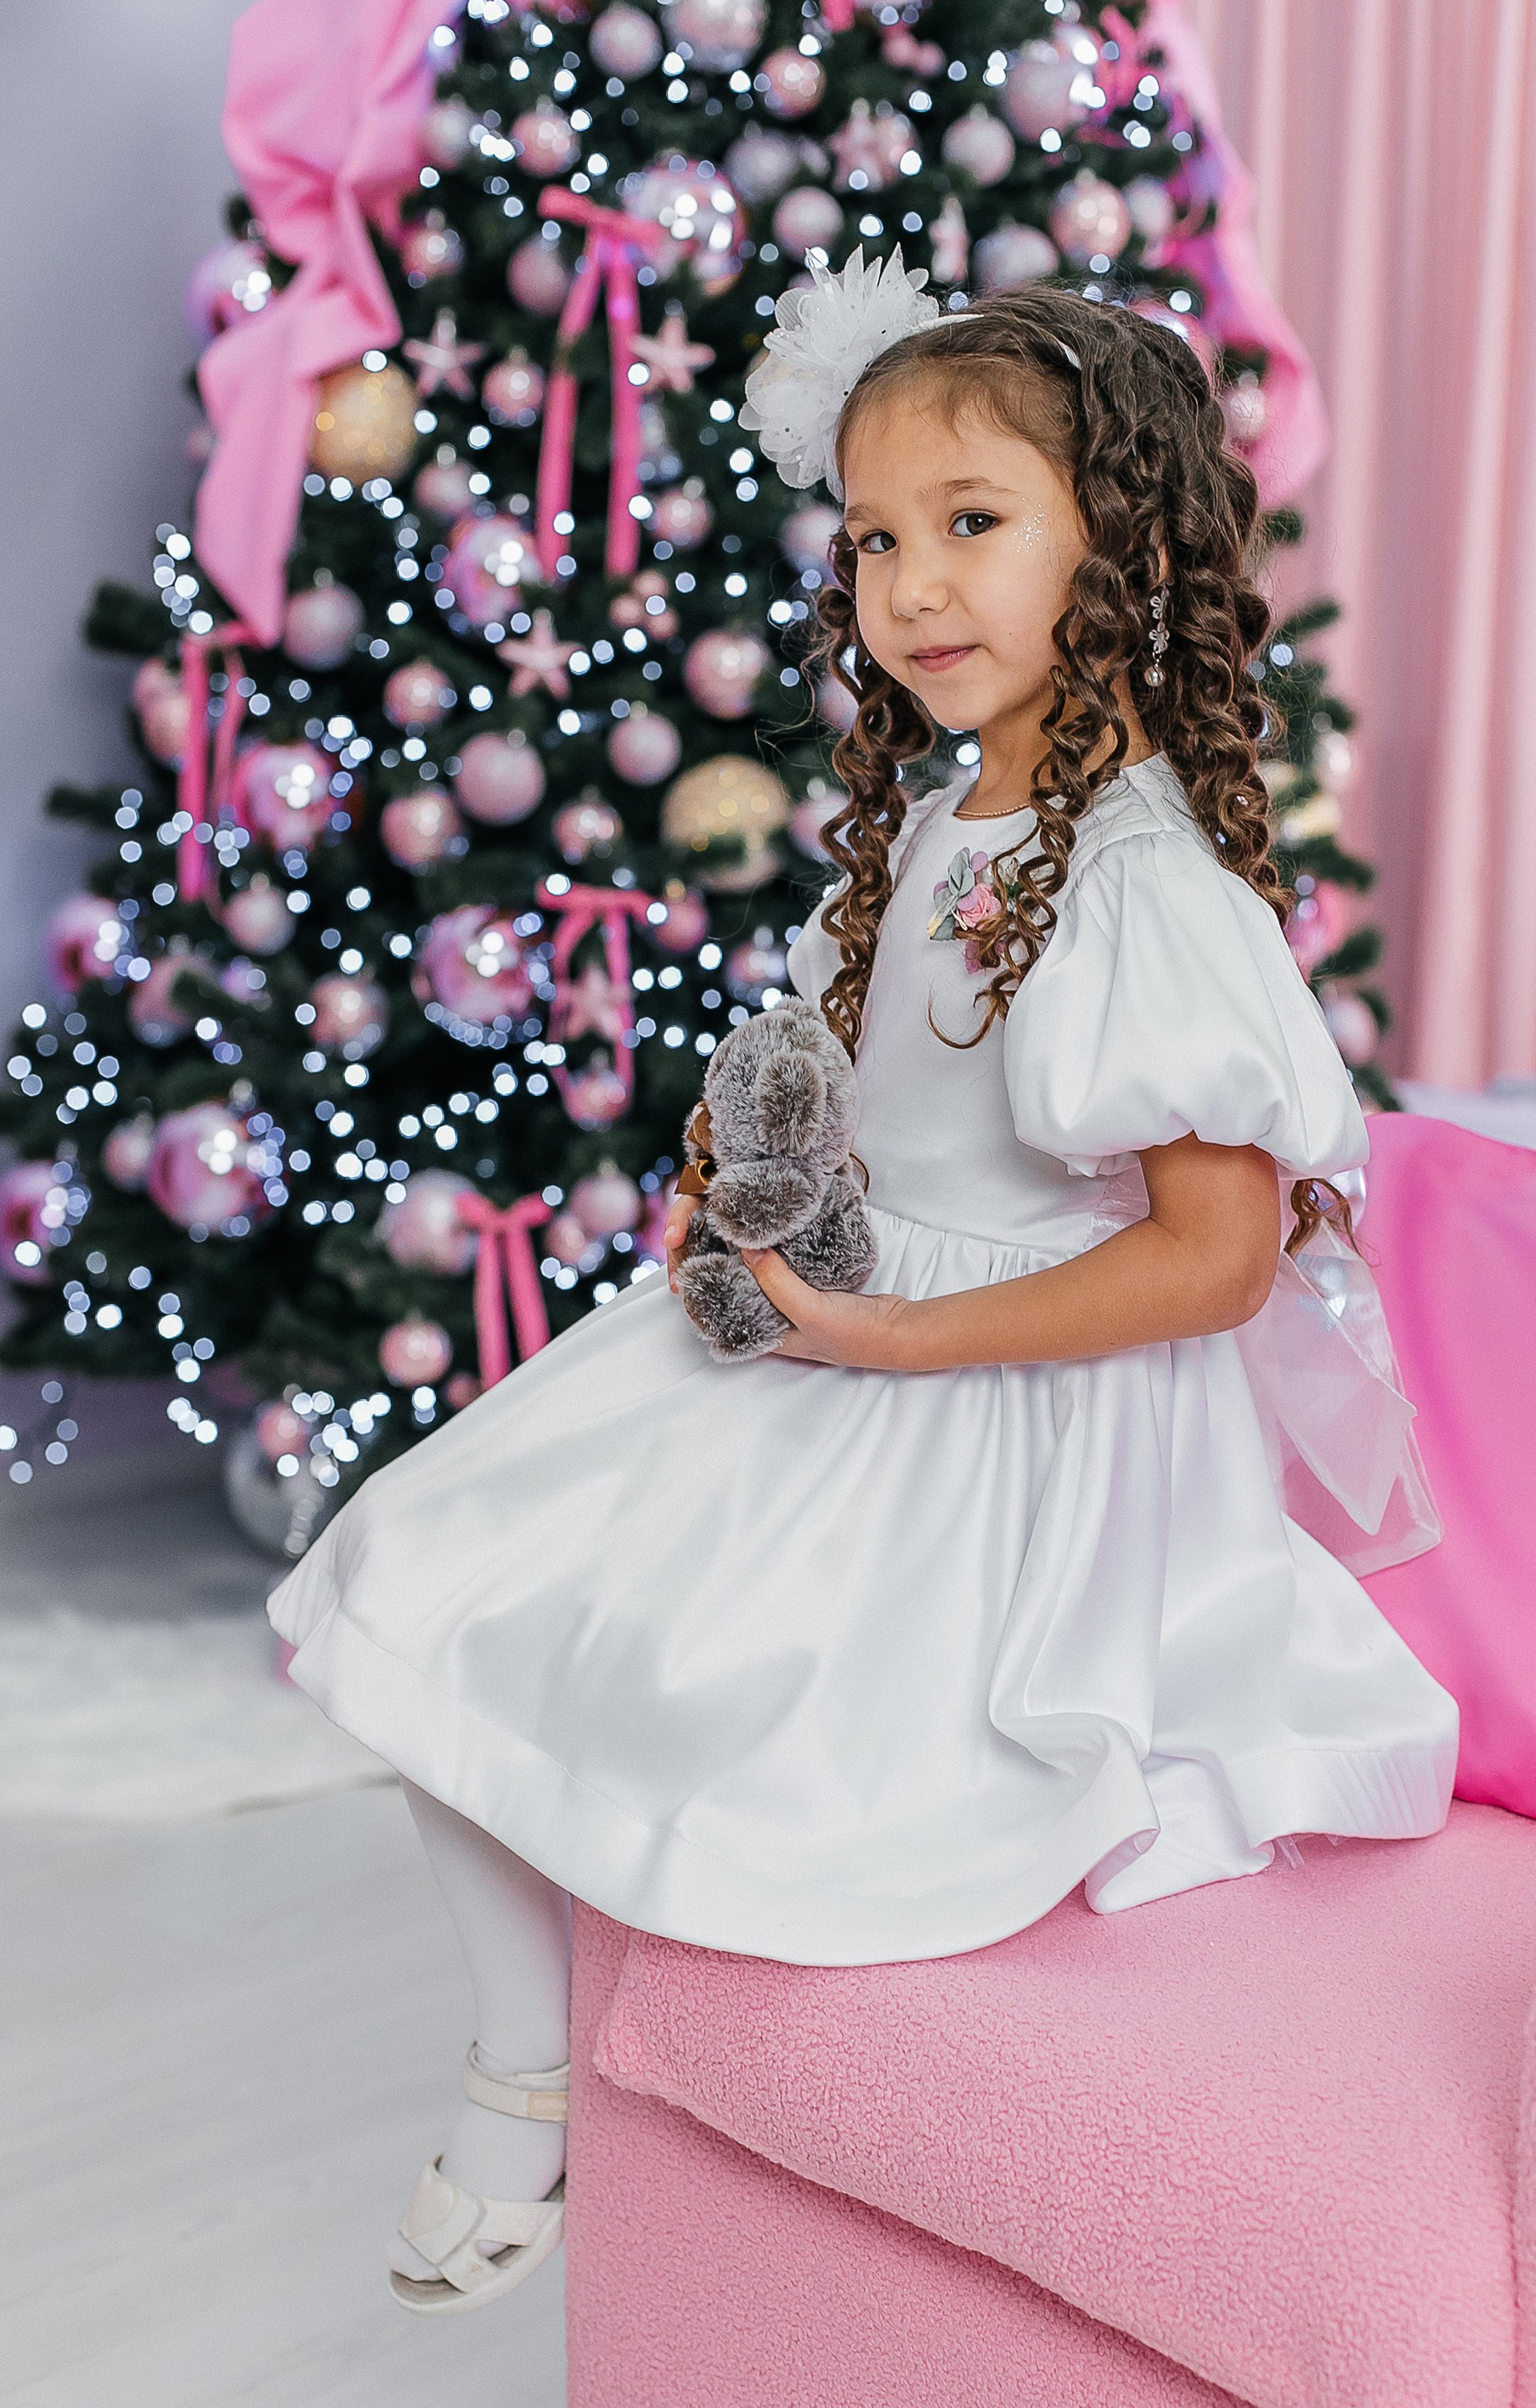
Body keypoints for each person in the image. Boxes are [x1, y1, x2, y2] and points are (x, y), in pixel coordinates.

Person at [268, 258, 1458, 2315]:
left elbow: (1213, 1257)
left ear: (1117, 538)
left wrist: (894, 1337)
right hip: (861, 1318)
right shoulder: (941, 814)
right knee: (413, 1561)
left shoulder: (1140, 877)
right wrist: (763, 1184)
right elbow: (891, 1109)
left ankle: (524, 2085)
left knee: (670, 1666)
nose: (913, 585)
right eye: (879, 537)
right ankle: (526, 2055)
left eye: (972, 521)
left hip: (1009, 1415)